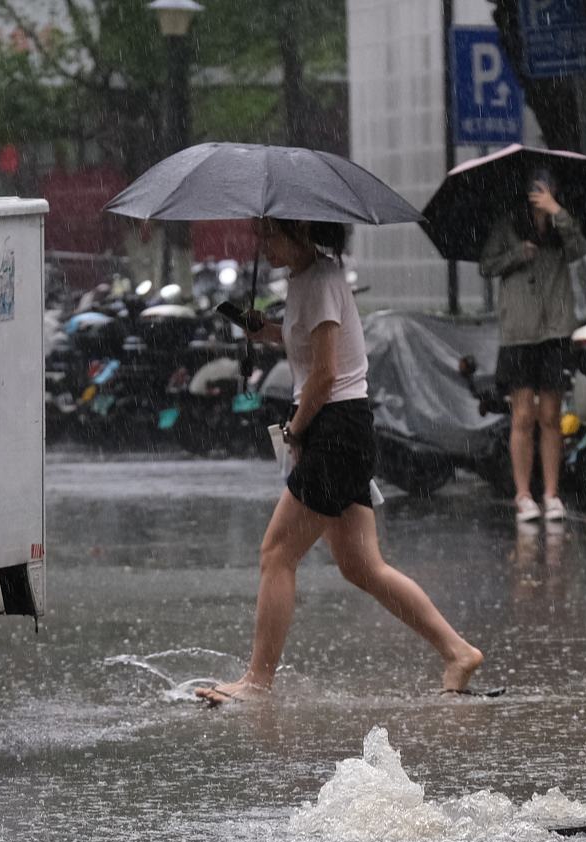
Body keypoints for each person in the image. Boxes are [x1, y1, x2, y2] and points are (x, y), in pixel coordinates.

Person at [195, 217, 486, 704]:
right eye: (258, 235)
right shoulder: (304, 279)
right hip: (337, 431)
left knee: (276, 555)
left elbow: (327, 373)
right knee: (362, 565)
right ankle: (458, 651)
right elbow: (302, 343)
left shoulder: (324, 279)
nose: (260, 244)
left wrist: (295, 429)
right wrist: (260, 328)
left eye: (268, 234)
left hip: (335, 429)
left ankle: (256, 683)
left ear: (298, 231)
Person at [478, 173, 586, 522]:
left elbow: (579, 250)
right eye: (537, 185)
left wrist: (559, 213)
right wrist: (516, 254)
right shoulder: (507, 225)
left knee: (551, 417)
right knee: (523, 416)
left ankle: (551, 494)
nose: (544, 190)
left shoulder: (562, 223)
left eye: (550, 184)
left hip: (555, 329)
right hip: (520, 333)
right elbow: (486, 265)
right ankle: (523, 494)